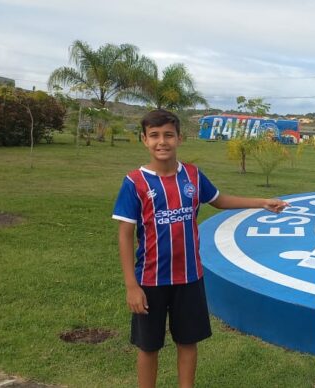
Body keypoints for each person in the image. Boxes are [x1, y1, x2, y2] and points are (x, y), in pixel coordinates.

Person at [112, 109, 288, 388]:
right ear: (144, 140)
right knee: (148, 346)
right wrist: (131, 286)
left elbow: (219, 200)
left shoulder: (192, 175)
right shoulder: (135, 182)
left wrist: (261, 202)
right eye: (154, 136)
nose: (162, 142)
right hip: (150, 280)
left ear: (180, 138)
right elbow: (125, 235)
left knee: (188, 341)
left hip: (190, 277)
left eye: (168, 135)